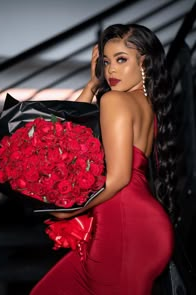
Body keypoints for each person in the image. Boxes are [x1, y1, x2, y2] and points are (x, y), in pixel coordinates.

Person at [30, 23, 176, 295]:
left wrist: (68, 210)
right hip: (139, 227)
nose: (111, 70)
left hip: (125, 228)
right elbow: (72, 134)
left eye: (121, 60)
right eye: (106, 62)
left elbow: (119, 177)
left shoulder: (114, 101)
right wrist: (91, 85)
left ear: (143, 62)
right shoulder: (149, 106)